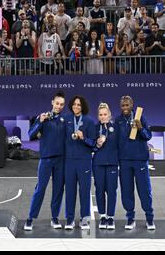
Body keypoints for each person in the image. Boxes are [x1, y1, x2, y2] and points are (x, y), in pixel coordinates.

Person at [24, 92, 67, 231]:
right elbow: (30, 135)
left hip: (61, 160)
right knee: (40, 189)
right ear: (52, 102)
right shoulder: (42, 117)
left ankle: (54, 218)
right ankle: (30, 218)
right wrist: (40, 122)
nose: (59, 106)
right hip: (46, 160)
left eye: (61, 104)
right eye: (57, 103)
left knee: (58, 191)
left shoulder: (65, 120)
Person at [115, 96, 154, 230]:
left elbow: (148, 136)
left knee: (144, 191)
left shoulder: (140, 117)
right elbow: (115, 141)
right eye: (123, 106)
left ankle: (149, 219)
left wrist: (140, 127)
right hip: (125, 161)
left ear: (132, 105)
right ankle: (130, 219)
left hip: (140, 161)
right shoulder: (118, 120)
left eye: (127, 105)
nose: (125, 108)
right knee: (126, 191)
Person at [64, 96, 96, 230]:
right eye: (74, 104)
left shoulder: (89, 121)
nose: (76, 106)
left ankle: (85, 219)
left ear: (83, 107)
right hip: (69, 161)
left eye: (79, 105)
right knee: (70, 191)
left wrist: (83, 138)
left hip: (84, 161)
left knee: (84, 191)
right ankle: (70, 219)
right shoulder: (66, 119)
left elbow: (93, 143)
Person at [93, 103, 118, 230]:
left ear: (109, 114)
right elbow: (90, 145)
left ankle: (111, 217)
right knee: (99, 190)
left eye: (105, 114)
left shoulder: (115, 127)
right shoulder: (95, 128)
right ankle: (103, 216)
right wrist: (97, 145)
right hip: (98, 163)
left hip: (112, 164)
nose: (103, 117)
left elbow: (120, 145)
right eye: (100, 115)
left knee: (112, 191)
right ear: (98, 116)